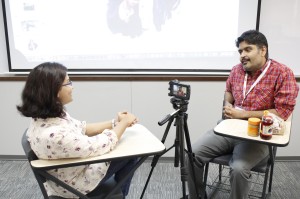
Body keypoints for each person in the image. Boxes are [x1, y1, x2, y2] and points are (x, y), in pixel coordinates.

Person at [185, 30, 299, 199]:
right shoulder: (236, 70)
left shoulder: (283, 73)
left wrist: (243, 114)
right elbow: (228, 91)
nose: (242, 56)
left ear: (263, 50)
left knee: (238, 169)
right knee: (191, 154)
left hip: (259, 135)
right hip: (229, 129)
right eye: (240, 51)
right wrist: (227, 104)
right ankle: (197, 196)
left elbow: (282, 113)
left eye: (248, 50)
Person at [17, 62, 139, 198]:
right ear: (55, 90)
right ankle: (119, 195)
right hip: (74, 186)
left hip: (69, 173)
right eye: (68, 83)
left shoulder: (45, 118)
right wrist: (124, 123)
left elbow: (82, 127)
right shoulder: (55, 135)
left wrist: (115, 122)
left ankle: (117, 193)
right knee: (132, 154)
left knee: (123, 145)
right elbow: (102, 144)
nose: (72, 87)